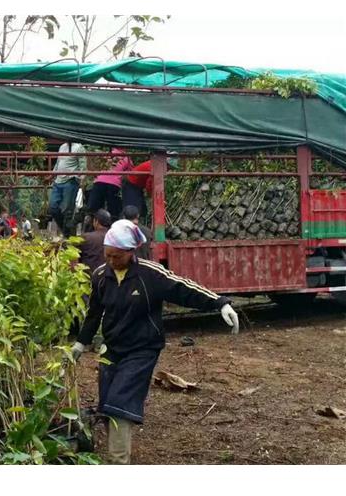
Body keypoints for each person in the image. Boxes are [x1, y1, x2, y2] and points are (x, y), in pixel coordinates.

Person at [72, 219, 240, 464]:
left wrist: (220, 302)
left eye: (117, 256)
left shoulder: (150, 275)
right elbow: (94, 313)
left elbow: (184, 288)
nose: (111, 261)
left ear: (130, 252)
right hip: (112, 349)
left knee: (119, 402)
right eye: (107, 256)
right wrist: (80, 342)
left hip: (142, 348)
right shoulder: (101, 276)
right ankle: (117, 452)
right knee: (107, 404)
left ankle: (118, 461)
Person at [48, 141, 86, 236]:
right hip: (58, 181)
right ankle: (66, 231)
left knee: (67, 210)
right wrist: (52, 176)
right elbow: (58, 163)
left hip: (71, 180)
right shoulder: (62, 146)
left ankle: (67, 234)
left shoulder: (79, 147)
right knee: (53, 207)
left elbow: (83, 165)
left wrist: (81, 180)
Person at [86, 148, 132, 220]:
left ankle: (92, 223)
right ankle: (113, 223)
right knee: (114, 209)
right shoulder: (126, 157)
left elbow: (93, 165)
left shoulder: (106, 154)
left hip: (99, 181)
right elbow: (130, 173)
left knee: (94, 209)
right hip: (114, 184)